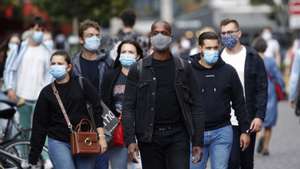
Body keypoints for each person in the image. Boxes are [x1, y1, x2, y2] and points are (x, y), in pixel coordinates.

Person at [122, 20, 204, 169]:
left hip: (178, 136)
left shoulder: (183, 67)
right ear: (150, 37)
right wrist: (130, 140)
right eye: (155, 33)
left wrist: (198, 140)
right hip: (149, 138)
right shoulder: (138, 69)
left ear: (171, 37)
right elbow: (128, 107)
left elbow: (197, 105)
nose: (159, 36)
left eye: (164, 33)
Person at [28, 50, 107, 169]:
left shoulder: (81, 83)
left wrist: (101, 137)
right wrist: (34, 156)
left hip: (85, 138)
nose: (55, 66)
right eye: (53, 64)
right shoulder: (46, 93)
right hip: (58, 141)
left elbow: (97, 108)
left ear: (69, 67)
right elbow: (39, 125)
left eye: (60, 64)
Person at [190, 32, 250, 169]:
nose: (212, 51)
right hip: (195, 134)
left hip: (222, 132)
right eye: (208, 48)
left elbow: (239, 103)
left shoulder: (228, 72)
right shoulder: (188, 72)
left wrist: (244, 130)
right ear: (200, 48)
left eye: (215, 48)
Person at [219, 18, 268, 169]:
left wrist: (259, 116)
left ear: (239, 33)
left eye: (230, 32)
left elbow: (262, 88)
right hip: (225, 121)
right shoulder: (219, 57)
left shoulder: (252, 57)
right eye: (223, 33)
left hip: (247, 117)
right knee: (231, 161)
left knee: (246, 162)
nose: (227, 36)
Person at [71, 19, 113, 169]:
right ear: (81, 39)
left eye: (96, 35)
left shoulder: (108, 62)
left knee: (102, 164)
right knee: (84, 164)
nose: (94, 38)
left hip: (103, 120)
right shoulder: (72, 64)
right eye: (89, 35)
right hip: (81, 122)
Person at [4, 16, 52, 133]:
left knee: (39, 130)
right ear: (30, 30)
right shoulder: (19, 48)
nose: (39, 32)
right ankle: (23, 152)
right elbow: (9, 69)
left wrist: (46, 92)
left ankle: (38, 152)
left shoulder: (47, 51)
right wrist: (10, 88)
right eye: (37, 29)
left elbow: (50, 74)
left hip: (39, 98)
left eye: (42, 30)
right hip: (21, 97)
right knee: (23, 130)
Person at [101, 40, 143, 169]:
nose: (126, 54)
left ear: (138, 56)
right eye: (123, 52)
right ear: (118, 55)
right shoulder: (110, 76)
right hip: (117, 132)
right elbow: (104, 104)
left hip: (140, 131)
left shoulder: (146, 76)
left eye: (131, 52)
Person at [252, 37, 285, 156]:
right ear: (265, 48)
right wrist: (283, 88)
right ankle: (266, 147)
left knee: (256, 120)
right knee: (269, 124)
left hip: (255, 92)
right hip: (270, 91)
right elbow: (278, 77)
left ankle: (259, 135)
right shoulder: (270, 61)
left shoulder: (251, 60)